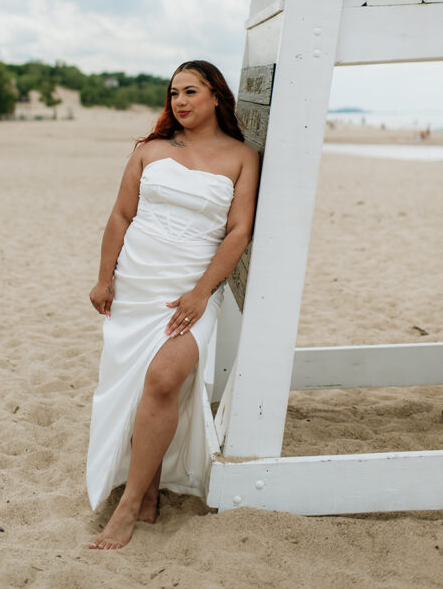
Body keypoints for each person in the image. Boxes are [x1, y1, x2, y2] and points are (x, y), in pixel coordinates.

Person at [87, 60, 259, 549]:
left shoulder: (242, 157)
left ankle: (126, 508)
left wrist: (203, 290)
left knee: (163, 380)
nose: (180, 101)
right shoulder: (152, 150)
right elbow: (121, 216)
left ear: (216, 97)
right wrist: (104, 279)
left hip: (189, 291)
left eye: (191, 91)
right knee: (140, 388)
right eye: (174, 93)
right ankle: (147, 492)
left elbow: (239, 231)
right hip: (136, 287)